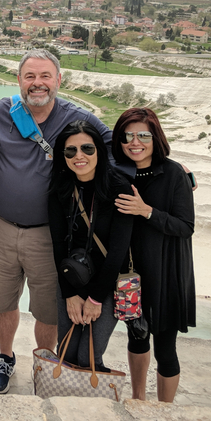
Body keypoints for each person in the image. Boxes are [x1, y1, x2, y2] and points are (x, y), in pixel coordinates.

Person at [0, 49, 120, 394]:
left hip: (49, 234)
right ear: (19, 81)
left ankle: (45, 361)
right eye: (30, 76)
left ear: (58, 80)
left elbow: (116, 145)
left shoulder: (75, 118)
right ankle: (5, 357)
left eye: (45, 76)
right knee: (3, 299)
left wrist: (166, 168)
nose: (37, 84)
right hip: (1, 226)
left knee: (46, 308)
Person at [112, 107, 195, 403]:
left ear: (155, 136)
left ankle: (166, 408)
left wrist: (146, 211)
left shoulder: (173, 173)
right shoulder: (118, 172)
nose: (135, 142)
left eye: (143, 135)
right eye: (128, 136)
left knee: (165, 347)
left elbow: (185, 226)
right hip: (132, 273)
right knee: (137, 336)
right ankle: (138, 399)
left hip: (166, 272)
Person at [48, 120, 133, 370]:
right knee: (67, 353)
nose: (79, 156)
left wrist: (95, 298)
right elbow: (57, 244)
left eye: (87, 148)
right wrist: (70, 294)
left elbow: (118, 249)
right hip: (71, 278)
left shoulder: (119, 188)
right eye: (70, 151)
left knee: (88, 357)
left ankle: (91, 405)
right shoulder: (59, 188)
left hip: (107, 283)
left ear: (99, 150)